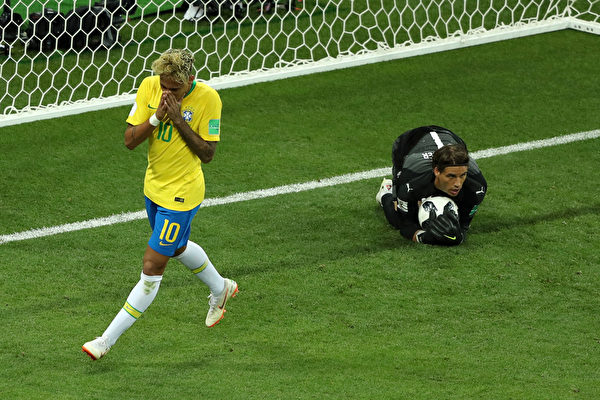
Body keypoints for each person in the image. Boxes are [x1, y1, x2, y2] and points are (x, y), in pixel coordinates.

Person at [82, 49, 238, 360]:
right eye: (163, 86)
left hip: (182, 195)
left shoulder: (208, 98)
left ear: (189, 80)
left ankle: (104, 341)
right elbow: (130, 140)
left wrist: (178, 120)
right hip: (153, 189)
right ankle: (221, 288)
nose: (166, 93)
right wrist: (156, 117)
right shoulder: (149, 86)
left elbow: (208, 154)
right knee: (177, 247)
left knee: (152, 266)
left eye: (174, 89)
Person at [376, 125, 487, 246]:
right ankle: (386, 192)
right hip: (408, 144)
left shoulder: (477, 187)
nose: (458, 184)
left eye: (463, 175)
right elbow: (405, 225)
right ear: (437, 171)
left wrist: (459, 237)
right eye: (451, 176)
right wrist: (423, 237)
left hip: (451, 137)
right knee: (396, 219)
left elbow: (464, 225)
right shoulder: (411, 182)